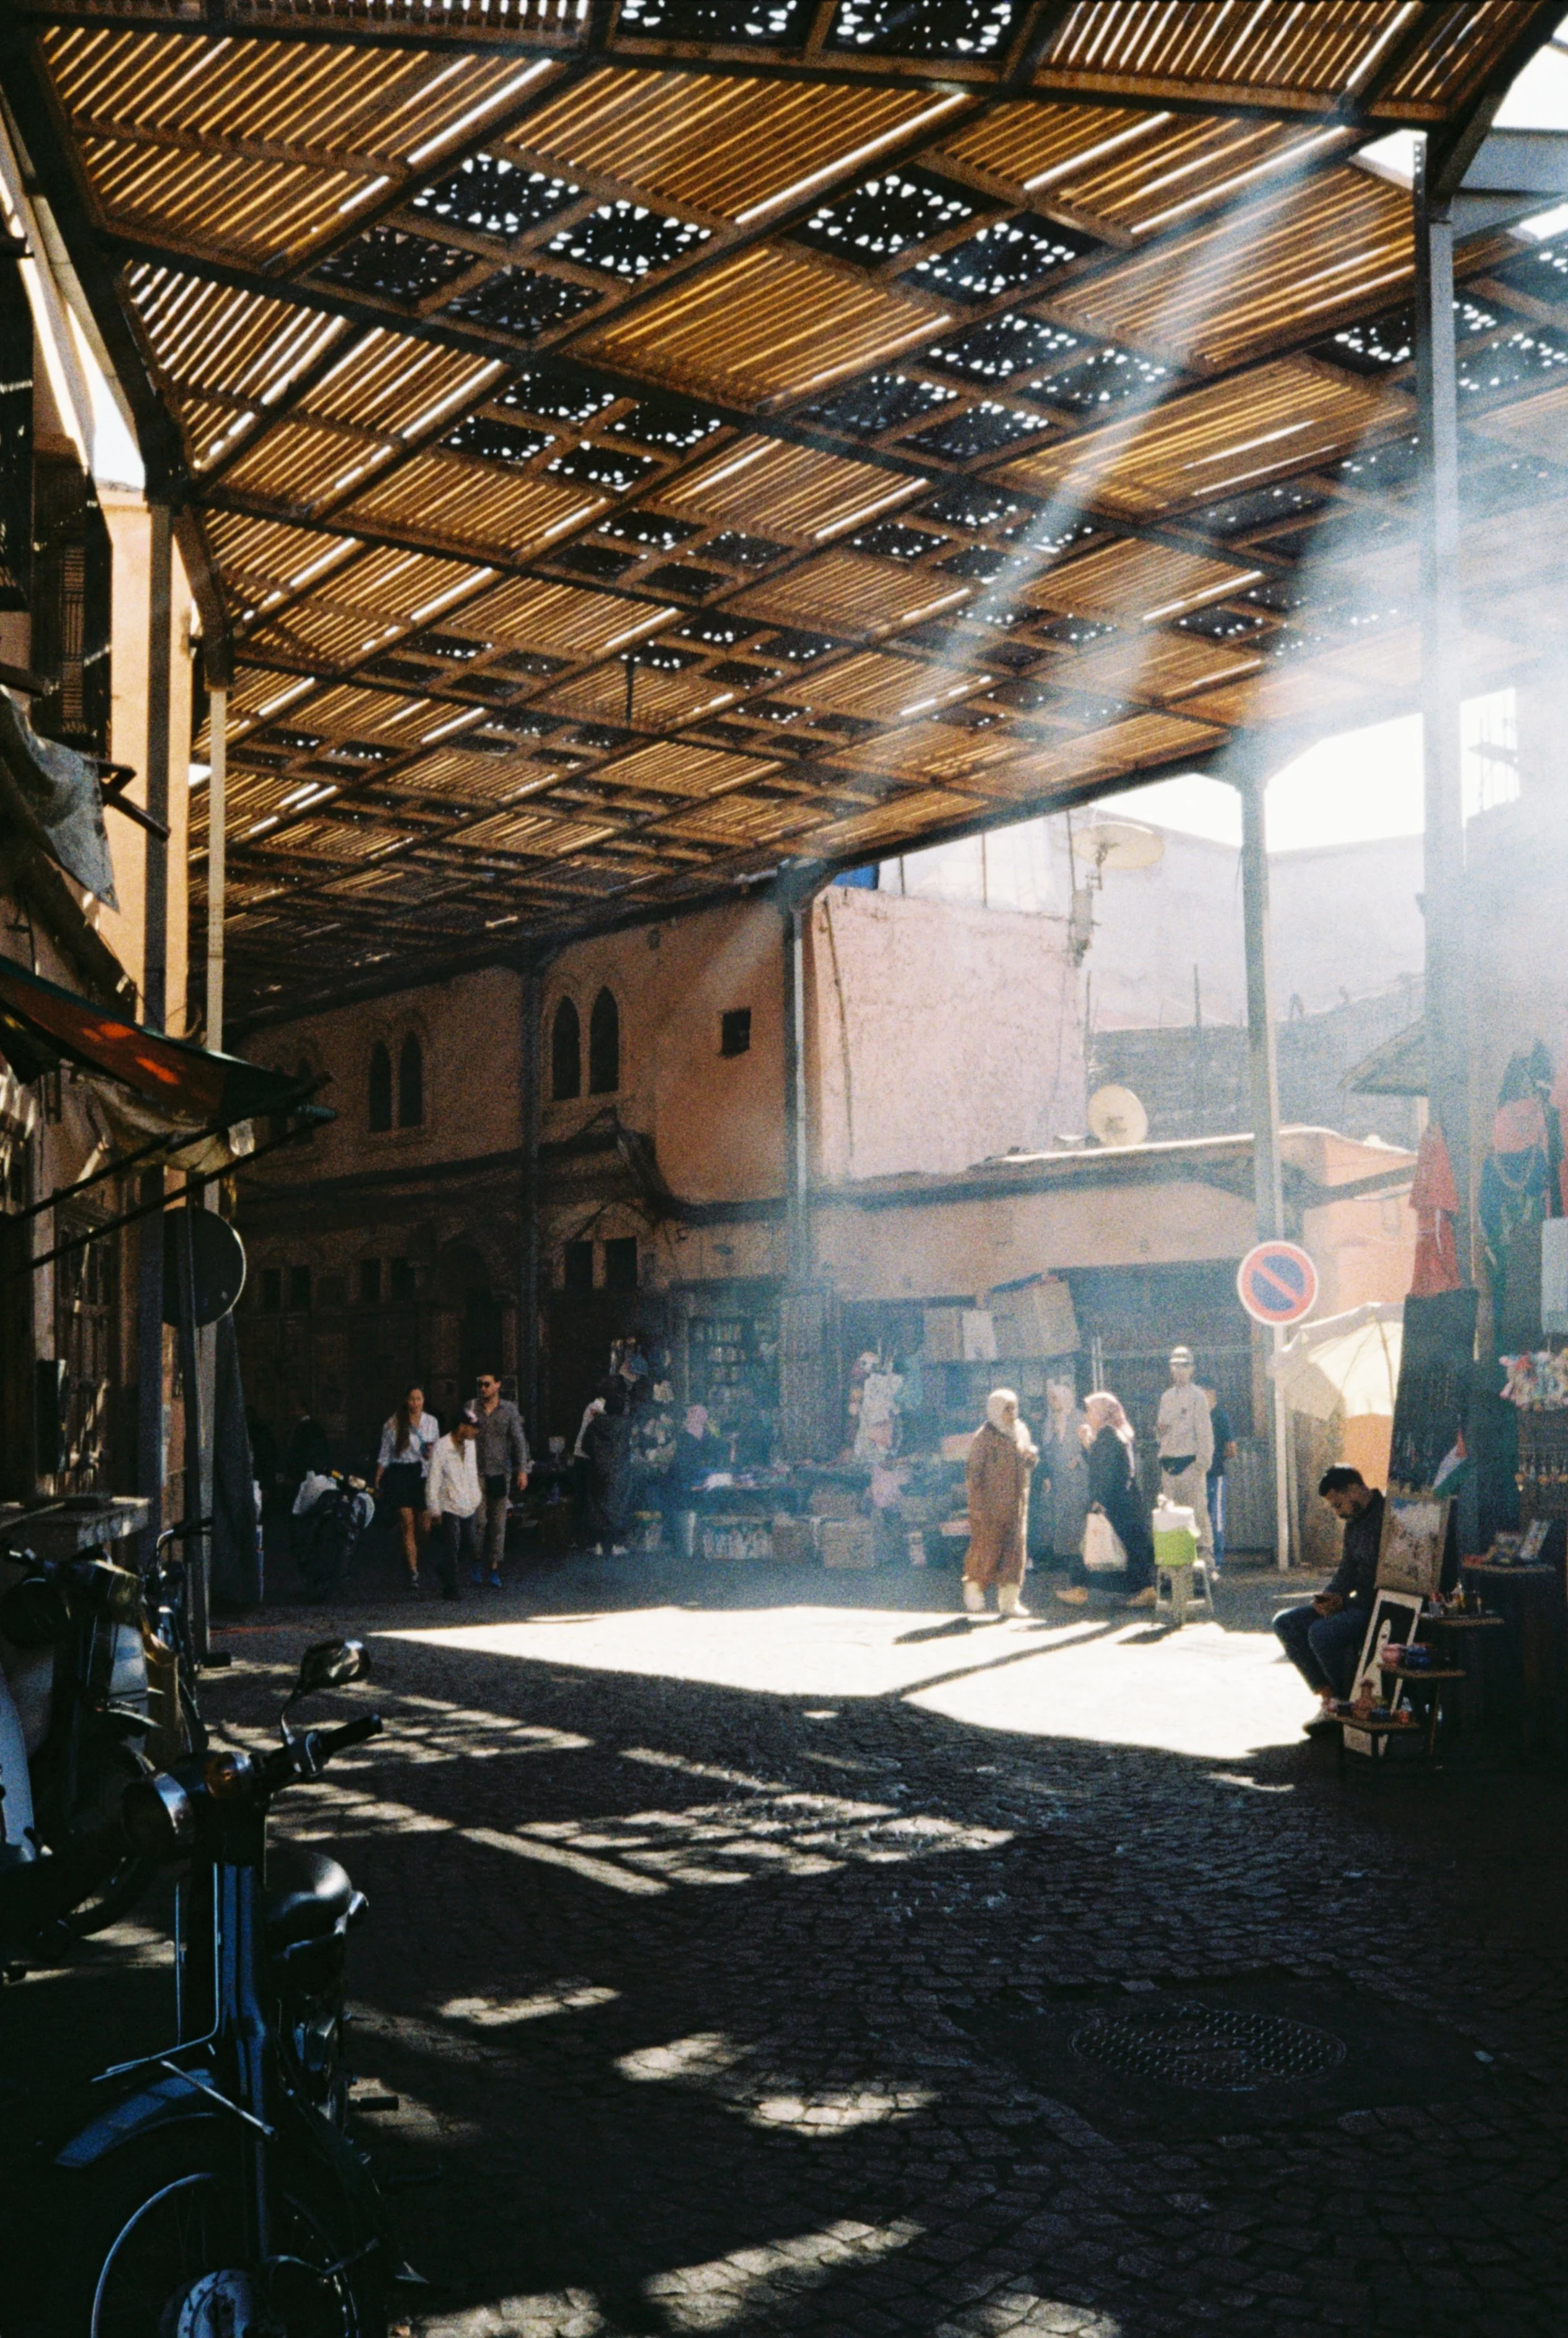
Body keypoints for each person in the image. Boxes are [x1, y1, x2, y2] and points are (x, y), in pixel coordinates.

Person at [1275, 1466, 1386, 1734]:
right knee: (1286, 1623)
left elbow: (1387, 1582)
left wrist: (1344, 1605)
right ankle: (1330, 1699)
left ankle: (1347, 1703)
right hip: (1354, 1603)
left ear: (1353, 1490)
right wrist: (1328, 1597)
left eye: (1338, 1505)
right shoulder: (1353, 1523)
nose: (1338, 1513)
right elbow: (1346, 1571)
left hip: (1377, 1607)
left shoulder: (1387, 1518)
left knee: (1321, 1634)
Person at [1058, 1390, 1156, 1607]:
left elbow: (1106, 1471)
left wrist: (1099, 1501)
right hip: (1125, 1500)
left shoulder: (1108, 1436)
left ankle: (1082, 1588)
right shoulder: (1118, 1433)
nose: (1088, 1416)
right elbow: (1104, 1464)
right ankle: (1142, 1589)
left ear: (1103, 1414)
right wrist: (1087, 1445)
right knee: (1127, 1546)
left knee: (1100, 1544)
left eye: (1092, 1411)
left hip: (1114, 1502)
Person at [963, 1388, 1039, 1619]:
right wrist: (976, 1507)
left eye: (1014, 1407)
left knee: (1015, 1554)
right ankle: (974, 1590)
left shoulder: (1021, 1431)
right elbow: (973, 1475)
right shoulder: (984, 1437)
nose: (1012, 1413)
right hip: (990, 1508)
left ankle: (1010, 1602)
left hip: (1017, 1504)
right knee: (986, 1551)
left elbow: (1026, 1460)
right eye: (1007, 1408)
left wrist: (1031, 1459)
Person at [375, 1383, 439, 1593]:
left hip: (422, 1475)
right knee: (407, 1524)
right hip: (401, 1475)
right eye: (412, 1399)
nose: (415, 1403)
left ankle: (411, 1552)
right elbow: (385, 1455)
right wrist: (378, 1478)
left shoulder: (432, 1422)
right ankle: (413, 1572)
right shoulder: (393, 1424)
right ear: (406, 1400)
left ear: (424, 1400)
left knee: (425, 1527)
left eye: (419, 1399)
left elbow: (436, 1452)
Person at [473, 1370, 529, 1589]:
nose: (483, 1388)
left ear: (497, 1385)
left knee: (498, 1523)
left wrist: (521, 1470)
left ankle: (494, 1567)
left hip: (500, 1472)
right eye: (480, 1384)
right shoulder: (472, 1408)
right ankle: (476, 1561)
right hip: (477, 1471)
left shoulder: (509, 1410)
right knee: (479, 1521)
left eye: (487, 1384)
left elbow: (518, 1441)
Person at [1156, 1345, 1214, 1556]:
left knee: (1197, 1515)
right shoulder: (1166, 1397)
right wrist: (1160, 1433)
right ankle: (1176, 1563)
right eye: (1175, 1366)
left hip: (1190, 1464)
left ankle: (1205, 1561)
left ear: (1192, 1369)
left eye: (1184, 1366)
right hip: (1169, 1463)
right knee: (1171, 1518)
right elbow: (1161, 1431)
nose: (1179, 1370)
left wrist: (1201, 1465)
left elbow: (1205, 1433)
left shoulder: (1198, 1396)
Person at [424, 1409, 482, 1602]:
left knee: (469, 1543)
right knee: (452, 1544)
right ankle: (451, 1587)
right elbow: (433, 1478)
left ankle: (444, 1570)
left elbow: (473, 1473)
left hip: (468, 1501)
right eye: (472, 1428)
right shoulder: (442, 1447)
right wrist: (434, 1508)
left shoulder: (471, 1446)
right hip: (448, 1503)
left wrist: (476, 1497)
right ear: (461, 1427)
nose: (476, 1432)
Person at [1037, 1379, 1090, 1570]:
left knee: (1077, 1514)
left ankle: (1082, 1555)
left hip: (1077, 1475)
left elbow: (1090, 1445)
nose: (1053, 1402)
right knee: (1060, 1515)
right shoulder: (1049, 1422)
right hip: (1058, 1475)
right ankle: (1064, 1556)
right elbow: (1046, 1449)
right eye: (1050, 1398)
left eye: (1055, 1398)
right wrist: (1047, 1474)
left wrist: (1079, 1457)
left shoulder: (1081, 1418)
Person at [583, 1382, 633, 1555]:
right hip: (621, 1471)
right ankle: (617, 1544)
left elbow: (585, 1446)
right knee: (620, 1506)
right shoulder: (627, 1425)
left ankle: (598, 1543)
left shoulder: (595, 1424)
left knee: (597, 1507)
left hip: (598, 1470)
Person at [663, 1402, 715, 1558]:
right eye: (692, 1413)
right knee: (682, 1511)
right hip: (683, 1483)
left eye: (698, 1413)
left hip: (699, 1480)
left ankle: (697, 1545)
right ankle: (684, 1546)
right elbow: (678, 1464)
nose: (693, 1416)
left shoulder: (707, 1436)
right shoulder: (683, 1437)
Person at [1202, 1383, 1237, 1576]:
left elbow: (1232, 1448)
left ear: (1212, 1393)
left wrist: (1217, 1459)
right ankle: (1207, 1561)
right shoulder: (1197, 1415)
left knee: (1215, 1518)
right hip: (1199, 1476)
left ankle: (1216, 1561)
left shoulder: (1220, 1416)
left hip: (1215, 1475)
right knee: (1202, 1518)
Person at [282, 1400, 331, 1502]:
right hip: (307, 1467)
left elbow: (300, 1449)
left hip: (305, 1468)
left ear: (303, 1410)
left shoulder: (306, 1427)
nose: (294, 1413)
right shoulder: (310, 1426)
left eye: (296, 1410)